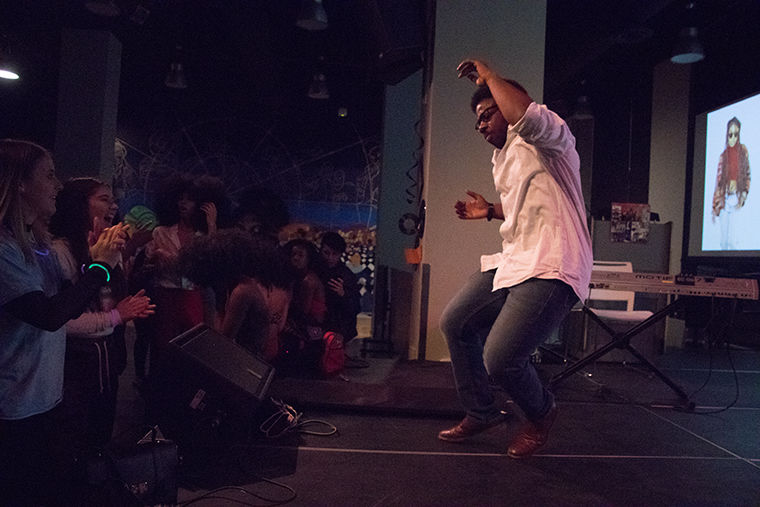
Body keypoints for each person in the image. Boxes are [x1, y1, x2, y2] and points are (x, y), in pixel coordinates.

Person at [437, 59, 592, 459]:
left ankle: (541, 413)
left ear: (509, 105)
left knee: (501, 358)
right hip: (516, 260)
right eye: (478, 120)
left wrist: (490, 77)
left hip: (552, 262)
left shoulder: (551, 139)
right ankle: (482, 411)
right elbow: (531, 204)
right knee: (456, 321)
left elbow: (525, 114)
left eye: (486, 114)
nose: (481, 125)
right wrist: (491, 210)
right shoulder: (502, 157)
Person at [0, 139, 126, 505]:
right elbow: (49, 315)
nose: (57, 185)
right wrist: (99, 267)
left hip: (43, 397)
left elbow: (71, 300)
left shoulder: (36, 244)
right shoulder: (4, 250)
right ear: (19, 183)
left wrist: (101, 257)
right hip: (12, 406)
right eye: (50, 175)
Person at [49, 177, 154, 449]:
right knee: (73, 441)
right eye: (104, 199)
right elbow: (60, 319)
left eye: (113, 199)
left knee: (100, 437)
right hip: (72, 367)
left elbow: (107, 299)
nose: (113, 205)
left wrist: (125, 308)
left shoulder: (108, 248)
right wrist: (116, 316)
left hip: (106, 361)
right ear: (79, 205)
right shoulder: (59, 251)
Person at [179, 230, 292, 361]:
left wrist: (210, 303)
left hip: (247, 364)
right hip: (245, 361)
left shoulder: (242, 291)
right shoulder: (241, 285)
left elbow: (223, 340)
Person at [712, 116, 750, 250]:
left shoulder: (743, 152)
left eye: (736, 134)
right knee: (723, 242)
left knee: (733, 242)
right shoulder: (723, 156)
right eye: (730, 135)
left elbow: (747, 175)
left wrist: (744, 194)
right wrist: (715, 206)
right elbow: (718, 182)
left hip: (736, 198)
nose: (732, 138)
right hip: (724, 200)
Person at [318, 231, 360, 343]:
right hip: (317, 323)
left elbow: (355, 307)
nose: (330, 258)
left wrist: (343, 294)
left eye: (334, 254)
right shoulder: (316, 269)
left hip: (337, 327)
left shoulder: (346, 276)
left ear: (340, 254)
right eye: (326, 253)